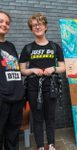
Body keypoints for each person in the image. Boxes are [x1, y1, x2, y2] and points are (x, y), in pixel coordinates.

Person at [19, 13, 66, 150]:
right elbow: (22, 70)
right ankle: (40, 146)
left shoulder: (55, 47)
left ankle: (51, 144)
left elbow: (63, 68)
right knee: (37, 118)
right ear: (31, 29)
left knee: (50, 117)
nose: (37, 26)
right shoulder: (27, 48)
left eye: (40, 23)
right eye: (34, 25)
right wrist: (32, 70)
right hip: (33, 88)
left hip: (51, 87)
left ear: (45, 26)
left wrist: (53, 68)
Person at [0, 10, 24, 150]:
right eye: (1, 21)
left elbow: (15, 70)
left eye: (7, 23)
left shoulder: (11, 46)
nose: (4, 25)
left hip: (16, 99)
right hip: (2, 100)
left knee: (13, 136)